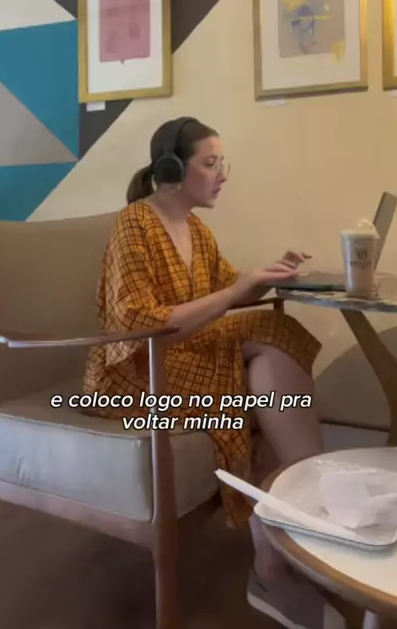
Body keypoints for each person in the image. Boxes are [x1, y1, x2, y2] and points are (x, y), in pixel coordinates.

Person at [83, 117, 341, 629]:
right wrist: (235, 290)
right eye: (210, 163)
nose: (223, 174)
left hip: (183, 354)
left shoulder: (196, 230)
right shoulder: (135, 223)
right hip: (135, 371)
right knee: (268, 342)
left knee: (272, 336)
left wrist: (270, 274)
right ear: (171, 170)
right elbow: (139, 326)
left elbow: (226, 291)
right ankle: (293, 528)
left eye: (223, 162)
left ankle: (291, 520)